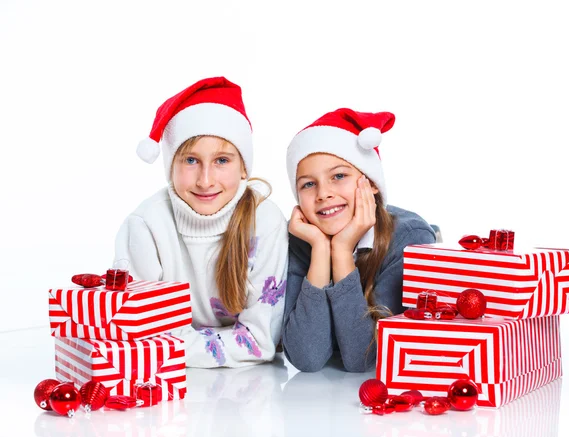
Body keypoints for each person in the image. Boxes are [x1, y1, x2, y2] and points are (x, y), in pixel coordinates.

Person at [114, 77, 288, 368]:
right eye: (190, 160)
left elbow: (259, 342)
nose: (205, 181)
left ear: (244, 166)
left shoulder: (265, 222)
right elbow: (138, 333)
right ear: (170, 166)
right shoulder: (145, 225)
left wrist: (172, 342)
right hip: (168, 388)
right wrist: (226, 342)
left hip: (250, 393)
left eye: (222, 160)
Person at [282, 108, 436, 372]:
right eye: (308, 184)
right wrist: (320, 249)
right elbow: (306, 357)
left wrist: (341, 251)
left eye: (338, 176)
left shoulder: (409, 238)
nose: (323, 194)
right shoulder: (301, 238)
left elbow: (363, 359)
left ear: (371, 182)